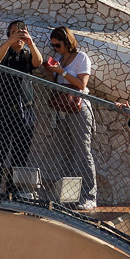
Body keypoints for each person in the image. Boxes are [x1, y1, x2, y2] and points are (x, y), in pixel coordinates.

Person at [44, 27, 97, 210]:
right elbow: (56, 83)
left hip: (79, 109)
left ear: (67, 41)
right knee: (66, 154)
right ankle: (70, 197)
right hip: (62, 110)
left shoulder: (81, 58)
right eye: (53, 45)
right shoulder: (59, 59)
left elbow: (82, 84)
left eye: (58, 44)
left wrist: (63, 71)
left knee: (83, 152)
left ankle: (89, 196)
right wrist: (51, 71)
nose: (55, 48)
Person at [0, 20, 42, 196]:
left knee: (20, 155)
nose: (18, 35)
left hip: (26, 110)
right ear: (8, 34)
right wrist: (9, 42)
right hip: (5, 109)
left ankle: (13, 191)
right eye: (14, 32)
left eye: (21, 31)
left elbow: (38, 62)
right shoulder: (4, 52)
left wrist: (30, 42)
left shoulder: (28, 53)